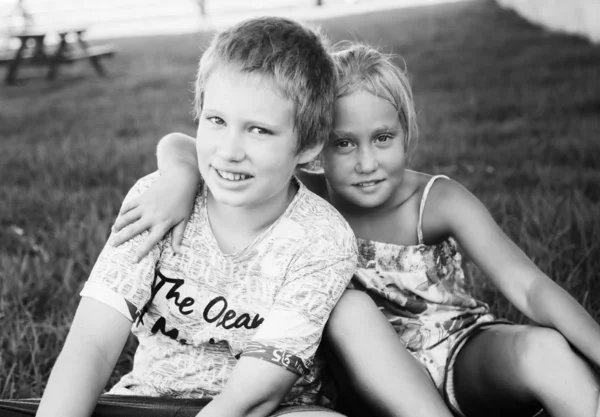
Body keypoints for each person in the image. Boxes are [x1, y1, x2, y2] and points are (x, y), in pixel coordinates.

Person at [112, 40, 600, 417]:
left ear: (407, 132)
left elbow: (530, 287)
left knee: (545, 348)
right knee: (349, 306)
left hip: (459, 357)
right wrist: (178, 176)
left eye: (383, 138)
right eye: (344, 144)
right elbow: (183, 142)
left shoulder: (436, 199)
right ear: (312, 150)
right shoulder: (305, 204)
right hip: (354, 384)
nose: (366, 162)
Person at [25, 16, 362, 417]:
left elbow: (256, 395)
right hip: (145, 399)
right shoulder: (155, 201)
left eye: (258, 130)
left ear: (307, 146)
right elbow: (91, 344)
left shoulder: (321, 236)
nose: (229, 150)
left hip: (269, 411)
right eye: (216, 121)